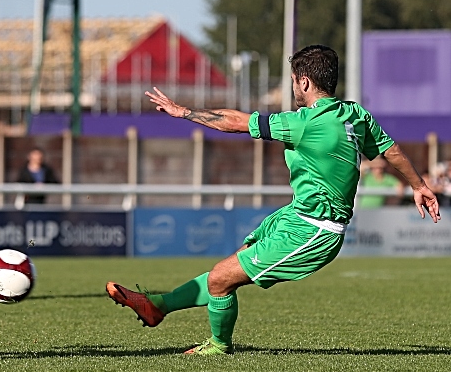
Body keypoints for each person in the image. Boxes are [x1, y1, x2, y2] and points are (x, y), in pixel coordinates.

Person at [106, 45, 440, 355]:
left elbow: (236, 122)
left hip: (315, 230)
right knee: (232, 265)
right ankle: (157, 306)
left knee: (221, 278)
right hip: (296, 216)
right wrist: (418, 185)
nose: (292, 88)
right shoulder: (354, 114)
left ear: (304, 81)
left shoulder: (304, 123)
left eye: (293, 80)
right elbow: (389, 149)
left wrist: (183, 112)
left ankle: (217, 345)